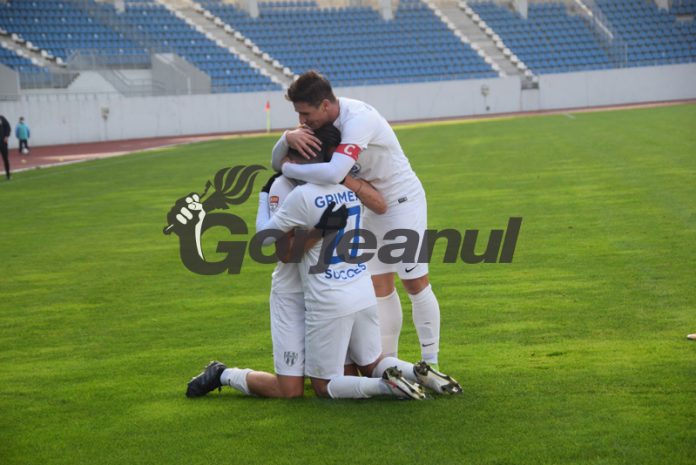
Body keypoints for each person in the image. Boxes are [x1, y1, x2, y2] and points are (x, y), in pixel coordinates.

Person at [186, 124, 461, 400]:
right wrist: (317, 227)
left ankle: (392, 381)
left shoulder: (331, 182)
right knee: (293, 390)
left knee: (342, 376)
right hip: (298, 292)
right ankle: (223, 373)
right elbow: (284, 253)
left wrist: (321, 223)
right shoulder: (284, 187)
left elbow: (375, 206)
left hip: (326, 292)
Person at [271, 70, 443, 368]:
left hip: (401, 201)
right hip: (366, 202)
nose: (301, 121)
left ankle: (432, 361)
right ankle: (389, 364)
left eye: (305, 113)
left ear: (325, 105)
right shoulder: (316, 124)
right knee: (379, 286)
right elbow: (276, 160)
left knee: (415, 282)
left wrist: (289, 169)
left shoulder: (358, 119)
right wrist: (285, 138)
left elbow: (334, 172)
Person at [0, 115, 10, 180]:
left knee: (5, 159)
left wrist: (6, 136)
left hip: (3, 143)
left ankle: (8, 175)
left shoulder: (1, 118)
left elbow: (8, 127)